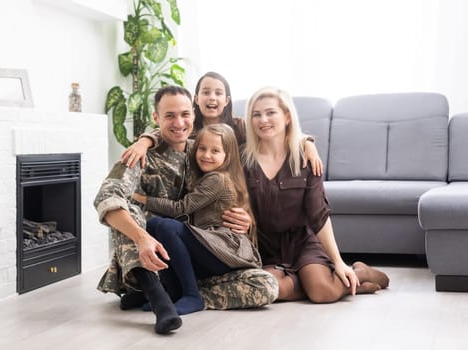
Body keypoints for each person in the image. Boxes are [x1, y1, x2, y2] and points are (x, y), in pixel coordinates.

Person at [93, 86, 278, 334]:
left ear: (193, 114)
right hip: (149, 259)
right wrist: (142, 237)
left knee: (266, 285)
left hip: (197, 257)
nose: (179, 123)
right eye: (169, 116)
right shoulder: (138, 155)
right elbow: (107, 197)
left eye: (184, 114)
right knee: (131, 212)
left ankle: (183, 294)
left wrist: (245, 218)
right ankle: (159, 297)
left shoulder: (200, 149)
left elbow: (248, 152)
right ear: (156, 119)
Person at [242, 86, 389, 303]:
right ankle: (328, 283)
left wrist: (337, 261)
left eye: (270, 112)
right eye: (256, 114)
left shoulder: (306, 158)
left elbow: (318, 214)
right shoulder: (243, 159)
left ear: (287, 116)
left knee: (323, 293)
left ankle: (359, 273)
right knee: (270, 289)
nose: (263, 119)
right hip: (265, 246)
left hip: (302, 242)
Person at [133, 124, 261, 315]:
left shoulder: (218, 179)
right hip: (211, 247)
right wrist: (146, 140)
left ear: (227, 156)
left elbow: (180, 208)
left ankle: (192, 295)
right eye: (202, 148)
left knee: (166, 226)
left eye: (215, 151)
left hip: (225, 249)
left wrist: (139, 197)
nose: (206, 155)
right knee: (154, 226)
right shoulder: (207, 176)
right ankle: (173, 292)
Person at [121, 71, 324, 177]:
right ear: (196, 98)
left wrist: (307, 143)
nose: (212, 98)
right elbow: (168, 130)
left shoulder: (239, 126)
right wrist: (144, 141)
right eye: (206, 92)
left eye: (218, 93)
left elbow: (274, 133)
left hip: (236, 189)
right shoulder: (190, 128)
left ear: (226, 100)